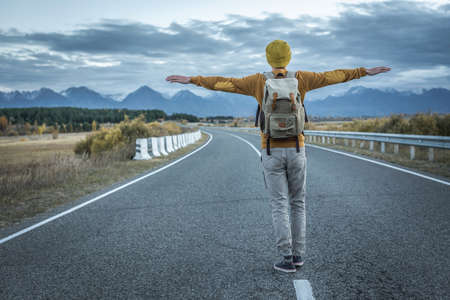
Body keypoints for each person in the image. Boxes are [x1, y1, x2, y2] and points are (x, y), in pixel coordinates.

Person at [166, 39, 391, 273]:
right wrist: (364, 72)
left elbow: (224, 84)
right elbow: (333, 76)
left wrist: (193, 80)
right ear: (289, 58)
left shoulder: (257, 81)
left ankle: (286, 258)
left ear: (268, 59)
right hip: (297, 148)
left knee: (279, 205)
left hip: (271, 149)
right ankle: (299, 255)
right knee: (298, 203)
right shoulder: (302, 78)